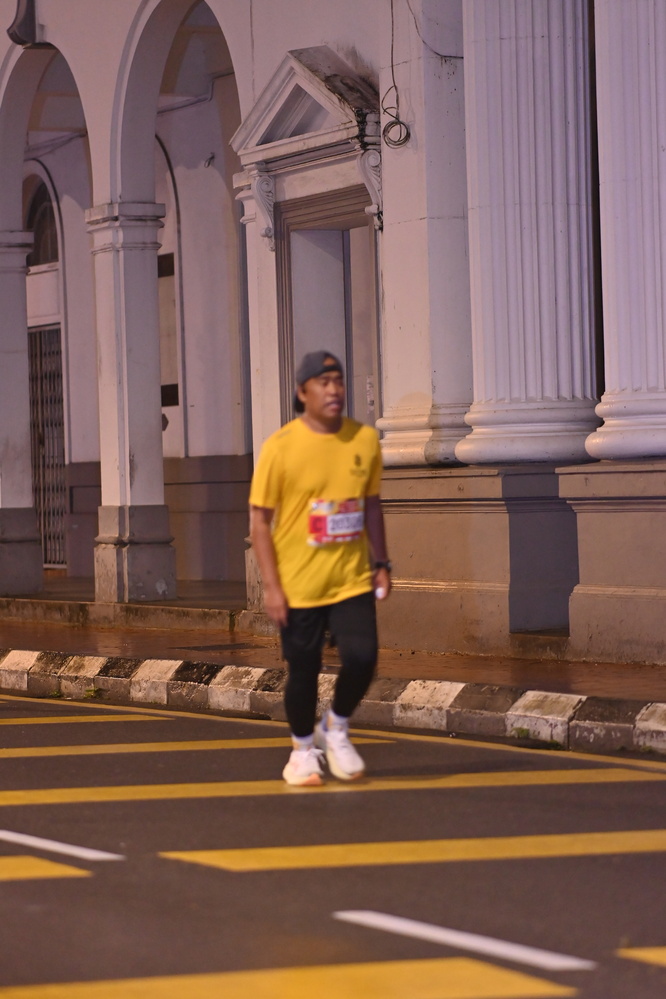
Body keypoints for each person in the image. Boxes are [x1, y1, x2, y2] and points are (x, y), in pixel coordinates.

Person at [249, 350, 392, 786]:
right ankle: (301, 753)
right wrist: (272, 587)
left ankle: (336, 726)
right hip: (299, 583)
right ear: (302, 392)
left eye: (339, 381)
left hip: (351, 578)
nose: (334, 390)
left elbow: (370, 504)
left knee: (363, 658)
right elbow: (259, 521)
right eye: (324, 382)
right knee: (304, 670)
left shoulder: (363, 440)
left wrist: (381, 562)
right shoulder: (280, 447)